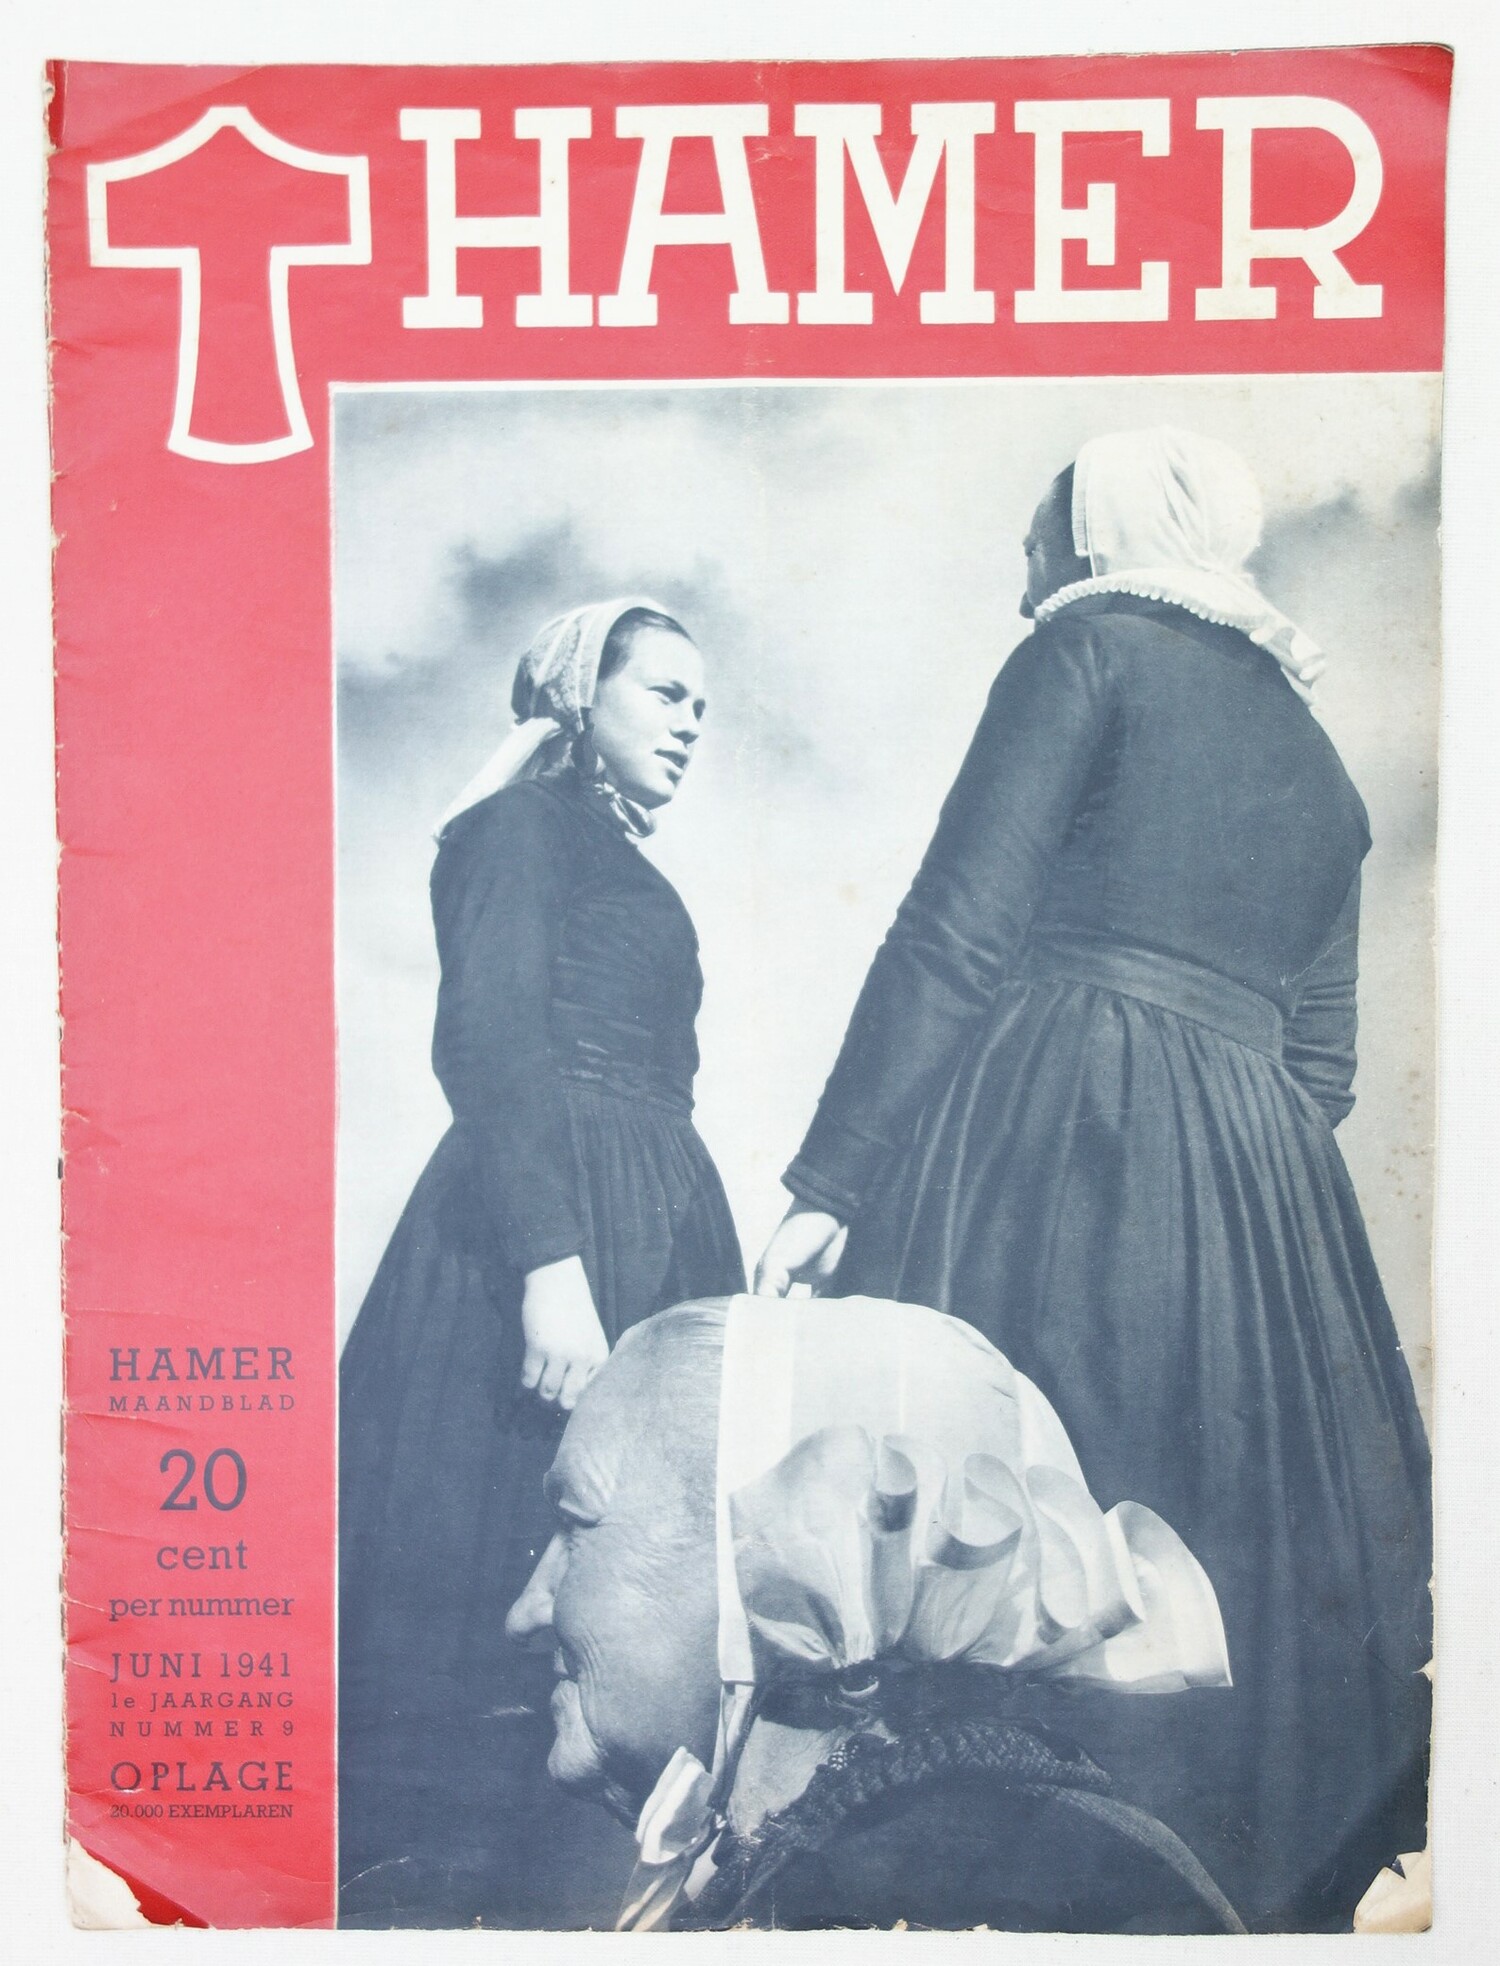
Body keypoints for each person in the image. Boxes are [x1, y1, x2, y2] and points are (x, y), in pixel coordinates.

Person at [754, 428, 1432, 1931]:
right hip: (1267, 1197)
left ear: (1101, 529)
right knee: (1236, 1561)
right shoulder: (1326, 768)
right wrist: (1229, 1182)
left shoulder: (1084, 656)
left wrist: (834, 1175)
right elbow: (1324, 1067)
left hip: (1059, 1130)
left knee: (995, 1531)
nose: (1025, 581)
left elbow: (955, 929)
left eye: (1036, 544)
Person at [338, 599, 745, 1928]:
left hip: (650, 1225)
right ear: (581, 696)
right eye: (666, 693)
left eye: (702, 703)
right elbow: (489, 1038)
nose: (692, 723)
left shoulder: (615, 854)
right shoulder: (516, 828)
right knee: (483, 1576)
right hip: (540, 1234)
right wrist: (548, 1265)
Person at [506, 1295, 1248, 1933]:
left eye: (576, 1525)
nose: (525, 1612)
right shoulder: (911, 1858)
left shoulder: (946, 1896)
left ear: (794, 1556)